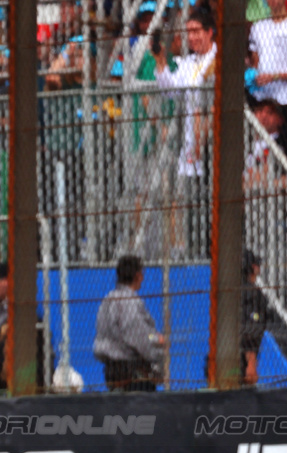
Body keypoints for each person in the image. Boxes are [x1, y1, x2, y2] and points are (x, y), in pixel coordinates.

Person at [153, 6, 217, 259]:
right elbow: (171, 91)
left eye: (196, 31)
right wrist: (160, 61)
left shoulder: (216, 60)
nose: (192, 37)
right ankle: (195, 254)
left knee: (210, 201)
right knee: (191, 204)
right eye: (188, 32)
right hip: (190, 141)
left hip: (212, 141)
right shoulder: (188, 62)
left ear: (210, 32)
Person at [93, 255, 164, 391]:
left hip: (112, 369)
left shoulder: (107, 300)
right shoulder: (130, 302)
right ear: (137, 275)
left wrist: (153, 337)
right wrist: (157, 341)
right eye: (142, 274)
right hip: (131, 371)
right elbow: (140, 336)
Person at [240, 249, 270, 384]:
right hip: (242, 365)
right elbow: (250, 331)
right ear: (253, 268)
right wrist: (251, 363)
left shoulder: (233, 291)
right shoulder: (253, 295)